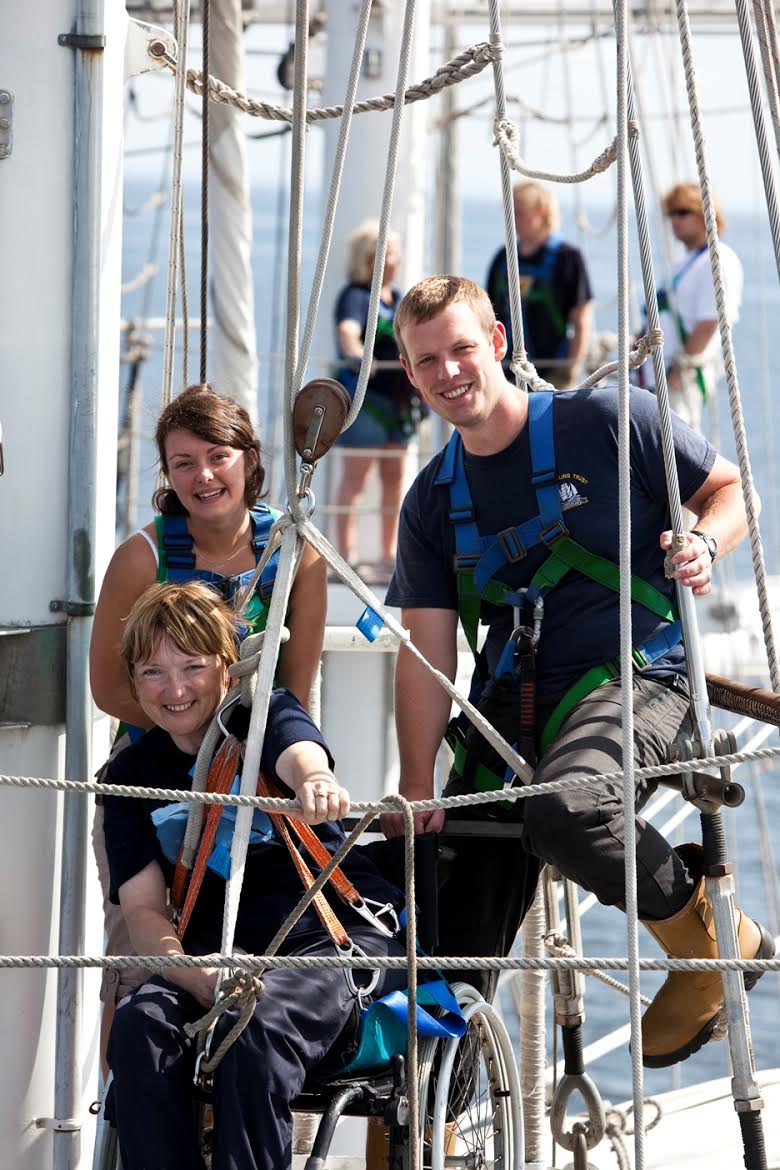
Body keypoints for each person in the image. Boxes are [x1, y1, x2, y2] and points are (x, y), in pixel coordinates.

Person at [382, 275, 773, 1069]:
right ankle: (436, 1107)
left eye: (461, 349)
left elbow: (732, 490)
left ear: (497, 342)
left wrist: (704, 543)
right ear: (411, 374)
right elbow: (425, 652)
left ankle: (710, 940)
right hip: (515, 704)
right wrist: (417, 780)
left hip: (640, 680)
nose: (448, 372)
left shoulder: (609, 420)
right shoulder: (431, 501)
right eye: (427, 361)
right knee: (436, 923)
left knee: (566, 809)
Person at [103, 581, 408, 1170]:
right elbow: (143, 912)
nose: (175, 690)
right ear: (133, 682)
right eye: (153, 672)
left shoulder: (263, 715)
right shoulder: (131, 777)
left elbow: (298, 752)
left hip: (332, 939)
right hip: (215, 951)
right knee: (138, 1028)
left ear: (228, 666)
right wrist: (197, 977)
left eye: (193, 667)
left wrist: (314, 782)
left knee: (258, 1028)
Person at [90, 383, 327, 1067]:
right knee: (137, 956)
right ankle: (125, 1099)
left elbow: (292, 690)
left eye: (218, 456)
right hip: (152, 784)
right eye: (183, 463)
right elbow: (109, 688)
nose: (204, 476)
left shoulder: (296, 552)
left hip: (252, 781)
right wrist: (190, 729)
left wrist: (252, 752)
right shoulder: (142, 558)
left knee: (259, 939)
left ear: (249, 459)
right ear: (167, 475)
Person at [333, 220, 426, 573]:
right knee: (355, 479)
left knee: (394, 479)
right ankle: (346, 556)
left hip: (400, 404)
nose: (396, 260)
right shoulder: (356, 296)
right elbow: (348, 331)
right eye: (390, 254)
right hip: (367, 403)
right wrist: (358, 355)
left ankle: (389, 555)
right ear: (370, 259)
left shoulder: (397, 299)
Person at [638, 182, 743, 432]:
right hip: (657, 375)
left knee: (674, 446)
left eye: (682, 212)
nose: (674, 220)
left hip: (679, 377)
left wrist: (678, 372)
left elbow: (709, 323)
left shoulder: (717, 260)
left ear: (704, 213)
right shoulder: (685, 262)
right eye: (671, 213)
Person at [485, 180, 593, 389]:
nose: (511, 220)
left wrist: (570, 370)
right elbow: (488, 314)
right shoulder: (502, 259)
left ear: (541, 211)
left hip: (553, 373)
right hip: (506, 373)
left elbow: (581, 318)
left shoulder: (567, 258)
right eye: (508, 213)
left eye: (518, 213)